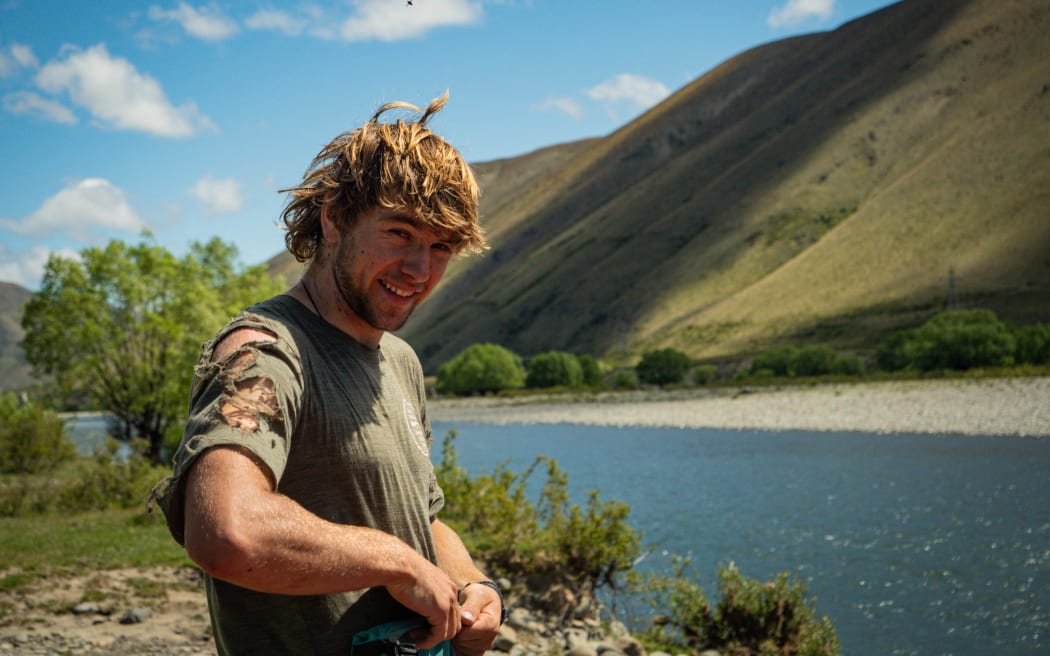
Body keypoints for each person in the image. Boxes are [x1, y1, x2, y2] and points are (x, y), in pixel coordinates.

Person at [149, 93, 503, 656]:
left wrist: (474, 587)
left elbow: (419, 521)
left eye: (440, 246)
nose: (419, 269)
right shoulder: (263, 351)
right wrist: (394, 561)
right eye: (400, 233)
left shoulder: (401, 362)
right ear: (334, 219)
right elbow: (226, 532)